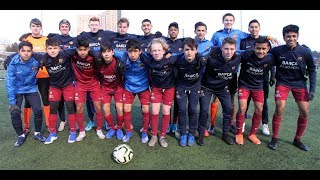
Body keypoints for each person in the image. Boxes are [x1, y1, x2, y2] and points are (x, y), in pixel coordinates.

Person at [268, 24, 316, 151]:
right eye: (288, 36)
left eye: (294, 36)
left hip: (299, 84)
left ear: (298, 36)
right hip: (282, 83)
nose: (291, 38)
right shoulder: (277, 50)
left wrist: (312, 90)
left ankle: (297, 139)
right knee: (280, 108)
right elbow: (267, 60)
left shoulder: (305, 51)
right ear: (284, 37)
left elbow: (312, 70)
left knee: (305, 112)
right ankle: (275, 138)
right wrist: (272, 77)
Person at [197, 37, 241, 146]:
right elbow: (200, 57)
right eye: (226, 48)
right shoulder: (212, 54)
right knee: (204, 109)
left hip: (222, 88)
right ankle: (201, 134)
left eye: (231, 49)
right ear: (221, 48)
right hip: (207, 87)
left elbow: (255, 51)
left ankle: (225, 134)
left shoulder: (239, 56)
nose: (229, 52)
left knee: (228, 109)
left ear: (235, 49)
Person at [78, 16, 117, 132]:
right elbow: (71, 41)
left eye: (96, 25)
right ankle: (91, 120)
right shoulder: (84, 35)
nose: (94, 27)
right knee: (89, 100)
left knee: (101, 100)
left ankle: (105, 121)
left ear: (99, 26)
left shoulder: (106, 34)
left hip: (103, 70)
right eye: (92, 25)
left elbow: (121, 35)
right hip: (90, 72)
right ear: (89, 26)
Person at [141, 38, 181, 148]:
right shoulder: (148, 60)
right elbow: (138, 52)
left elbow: (182, 54)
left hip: (169, 89)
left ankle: (162, 136)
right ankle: (154, 135)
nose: (157, 52)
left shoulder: (171, 59)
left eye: (159, 50)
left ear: (164, 51)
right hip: (156, 89)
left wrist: (170, 52)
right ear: (150, 52)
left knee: (166, 110)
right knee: (154, 110)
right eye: (154, 51)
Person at [6, 41, 46, 147]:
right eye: (23, 51)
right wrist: (12, 102)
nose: (26, 53)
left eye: (29, 51)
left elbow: (50, 53)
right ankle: (21, 135)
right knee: (15, 112)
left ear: (32, 52)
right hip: (17, 89)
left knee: (38, 109)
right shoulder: (13, 63)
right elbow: (9, 83)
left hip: (31, 88)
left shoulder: (36, 61)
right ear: (19, 51)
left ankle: (37, 133)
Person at [235, 37, 274, 145]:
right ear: (254, 48)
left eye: (263, 49)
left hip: (258, 87)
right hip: (244, 85)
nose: (260, 51)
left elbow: (274, 66)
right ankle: (238, 133)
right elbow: (233, 52)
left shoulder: (271, 58)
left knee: (259, 110)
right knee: (242, 107)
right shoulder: (247, 54)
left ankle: (252, 134)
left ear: (268, 49)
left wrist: (273, 77)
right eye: (258, 48)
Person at [240, 19, 276, 136]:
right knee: (245, 102)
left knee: (262, 102)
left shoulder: (266, 41)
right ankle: (243, 122)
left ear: (259, 28)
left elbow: (271, 60)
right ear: (248, 28)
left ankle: (264, 123)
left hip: (262, 79)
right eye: (252, 27)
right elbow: (239, 56)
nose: (254, 29)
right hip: (246, 79)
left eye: (256, 27)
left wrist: (273, 76)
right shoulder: (244, 41)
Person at [40, 38, 78, 144]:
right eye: (50, 48)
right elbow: (29, 54)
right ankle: (52, 133)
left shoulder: (66, 54)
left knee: (70, 108)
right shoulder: (42, 57)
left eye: (55, 48)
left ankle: (73, 132)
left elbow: (80, 48)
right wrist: (9, 59)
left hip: (68, 85)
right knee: (53, 108)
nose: (53, 51)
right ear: (46, 49)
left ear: (59, 48)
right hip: (54, 86)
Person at [113, 39, 151, 143]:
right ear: (126, 51)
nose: (132, 54)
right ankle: (129, 131)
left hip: (143, 87)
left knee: (145, 109)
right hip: (128, 87)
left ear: (140, 51)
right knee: (126, 108)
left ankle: (145, 131)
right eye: (130, 51)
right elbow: (108, 50)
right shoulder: (122, 55)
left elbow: (160, 54)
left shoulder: (146, 57)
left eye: (135, 51)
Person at [19, 18, 50, 134]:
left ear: (41, 27)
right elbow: (21, 54)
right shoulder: (26, 39)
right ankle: (26, 126)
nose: (36, 28)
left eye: (38, 26)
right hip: (30, 75)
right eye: (33, 26)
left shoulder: (46, 39)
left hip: (44, 75)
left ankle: (48, 124)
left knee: (45, 99)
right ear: (30, 27)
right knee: (28, 101)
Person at [174, 38, 206, 147]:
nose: (189, 52)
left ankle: (191, 133)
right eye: (186, 49)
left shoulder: (200, 60)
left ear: (196, 50)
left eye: (192, 49)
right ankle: (183, 133)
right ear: (182, 50)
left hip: (195, 87)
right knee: (182, 110)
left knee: (193, 110)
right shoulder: (178, 60)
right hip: (181, 87)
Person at [70, 36, 104, 141]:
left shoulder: (94, 56)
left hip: (93, 83)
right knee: (79, 107)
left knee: (98, 107)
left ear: (89, 49)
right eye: (80, 50)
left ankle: (99, 129)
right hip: (80, 84)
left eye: (85, 49)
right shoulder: (73, 55)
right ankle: (81, 131)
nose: (82, 52)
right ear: (76, 49)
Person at [47, 19, 77, 132]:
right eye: (62, 26)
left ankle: (73, 123)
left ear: (69, 28)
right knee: (58, 102)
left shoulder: (73, 40)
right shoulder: (55, 39)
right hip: (57, 74)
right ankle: (63, 120)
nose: (64, 28)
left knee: (70, 102)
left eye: (66, 26)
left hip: (70, 73)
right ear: (59, 28)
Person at [97, 42, 126, 140]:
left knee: (119, 107)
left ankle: (119, 128)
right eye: (104, 52)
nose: (106, 54)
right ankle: (112, 127)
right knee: (105, 108)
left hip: (117, 88)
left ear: (113, 52)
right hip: (105, 88)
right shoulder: (99, 64)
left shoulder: (118, 63)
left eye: (108, 51)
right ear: (101, 54)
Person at [193, 21, 213, 137]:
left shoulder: (210, 44)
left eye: (202, 30)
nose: (200, 32)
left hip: (206, 79)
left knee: (204, 106)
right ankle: (193, 126)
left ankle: (202, 127)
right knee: (193, 106)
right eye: (198, 30)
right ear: (195, 31)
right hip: (192, 78)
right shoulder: (191, 43)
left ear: (206, 31)